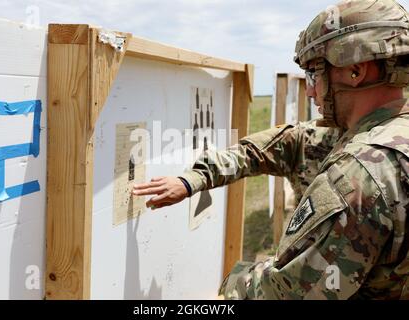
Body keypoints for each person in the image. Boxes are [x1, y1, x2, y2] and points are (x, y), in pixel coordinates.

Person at [134, 0, 409, 299]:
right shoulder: (358, 140)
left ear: (355, 70)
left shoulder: (358, 174)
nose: (310, 90)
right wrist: (192, 180)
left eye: (315, 74)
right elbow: (256, 152)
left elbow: (286, 292)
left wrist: (233, 282)